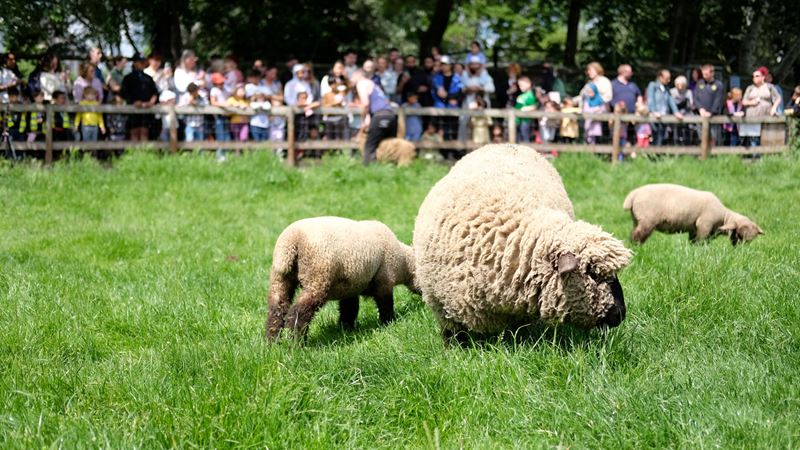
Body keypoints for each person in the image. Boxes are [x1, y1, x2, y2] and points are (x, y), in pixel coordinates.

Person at [350, 68, 396, 165]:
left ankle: (369, 169)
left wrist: (363, 120)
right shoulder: (373, 84)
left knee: (369, 146)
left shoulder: (361, 83)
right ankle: (390, 167)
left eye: (352, 77)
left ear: (358, 75)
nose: (351, 79)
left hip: (379, 116)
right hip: (390, 116)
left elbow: (365, 104)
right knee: (388, 144)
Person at [740, 67, 781, 147]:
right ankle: (755, 157)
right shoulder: (750, 88)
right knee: (753, 138)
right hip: (752, 116)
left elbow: (778, 98)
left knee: (766, 137)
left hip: (766, 115)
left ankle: (765, 156)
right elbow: (744, 102)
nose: (754, 78)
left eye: (757, 76)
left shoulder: (769, 87)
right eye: (753, 76)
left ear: (763, 77)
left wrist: (774, 108)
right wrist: (751, 102)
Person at [121, 55, 158, 141]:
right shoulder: (127, 78)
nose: (142, 64)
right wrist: (133, 102)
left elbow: (155, 93)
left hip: (146, 109)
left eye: (143, 62)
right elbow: (124, 93)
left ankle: (144, 152)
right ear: (135, 63)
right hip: (133, 109)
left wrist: (151, 102)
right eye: (140, 62)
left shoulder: (148, 78)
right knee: (134, 131)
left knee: (144, 131)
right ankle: (135, 152)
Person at [431, 55, 463, 144]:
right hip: (440, 107)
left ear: (450, 65)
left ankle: (452, 152)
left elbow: (459, 94)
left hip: (453, 108)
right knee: (440, 130)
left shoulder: (457, 78)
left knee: (452, 130)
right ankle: (442, 152)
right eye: (442, 64)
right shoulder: (436, 78)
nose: (443, 66)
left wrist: (447, 96)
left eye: (445, 64)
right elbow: (437, 94)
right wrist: (449, 97)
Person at [646, 69, 683, 146]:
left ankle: (658, 155)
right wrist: (653, 111)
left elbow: (670, 100)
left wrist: (676, 112)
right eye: (667, 78)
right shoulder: (653, 85)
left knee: (661, 136)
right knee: (655, 136)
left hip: (664, 116)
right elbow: (651, 99)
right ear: (660, 77)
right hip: (655, 116)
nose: (669, 80)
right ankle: (653, 156)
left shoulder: (666, 88)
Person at [692, 64, 725, 145]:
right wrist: (700, 109)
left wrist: (711, 112)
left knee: (713, 137)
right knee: (701, 137)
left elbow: (718, 100)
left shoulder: (718, 85)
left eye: (706, 74)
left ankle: (712, 156)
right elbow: (695, 98)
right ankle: (703, 156)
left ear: (712, 73)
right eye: (703, 74)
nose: (704, 76)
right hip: (701, 115)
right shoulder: (699, 83)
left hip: (713, 116)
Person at [611, 64, 642, 146]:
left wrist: (639, 107)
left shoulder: (632, 84)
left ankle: (631, 156)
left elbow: (639, 96)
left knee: (632, 138)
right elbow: (609, 99)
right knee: (619, 138)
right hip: (619, 116)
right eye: (630, 72)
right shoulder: (613, 84)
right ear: (623, 72)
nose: (631, 73)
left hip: (632, 117)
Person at [581, 64, 606, 144]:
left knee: (596, 137)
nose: (588, 72)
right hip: (588, 122)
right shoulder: (589, 84)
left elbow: (606, 98)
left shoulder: (604, 82)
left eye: (590, 70)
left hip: (597, 121)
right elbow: (582, 96)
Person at [671, 75, 696, 145]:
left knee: (688, 130)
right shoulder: (672, 92)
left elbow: (691, 104)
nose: (680, 86)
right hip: (675, 115)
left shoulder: (688, 92)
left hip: (686, 115)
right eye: (678, 84)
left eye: (681, 85)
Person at [515, 76, 537, 143]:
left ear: (529, 84)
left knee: (525, 135)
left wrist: (523, 109)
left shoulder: (529, 95)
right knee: (518, 136)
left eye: (521, 85)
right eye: (519, 85)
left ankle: (527, 151)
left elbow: (534, 107)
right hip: (518, 119)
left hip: (526, 120)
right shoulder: (522, 95)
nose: (520, 87)